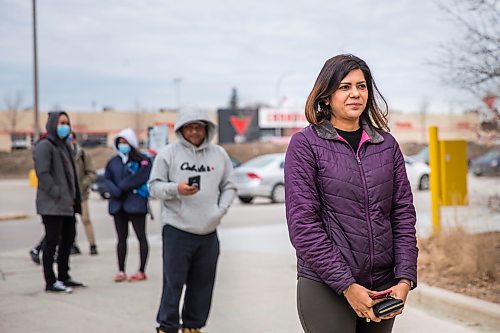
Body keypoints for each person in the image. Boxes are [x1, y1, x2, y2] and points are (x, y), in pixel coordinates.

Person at [284, 54, 418, 333]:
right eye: (345, 87)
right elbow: (303, 226)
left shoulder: (387, 145)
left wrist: (405, 278)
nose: (355, 93)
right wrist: (346, 285)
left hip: (382, 285)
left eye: (362, 86)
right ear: (327, 94)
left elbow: (403, 215)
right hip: (326, 285)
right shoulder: (305, 145)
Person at [149, 109, 236, 333]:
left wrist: (221, 210)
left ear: (207, 129)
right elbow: (153, 187)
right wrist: (175, 189)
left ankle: (193, 327)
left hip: (208, 231)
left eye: (199, 127)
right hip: (177, 229)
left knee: (202, 286)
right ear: (181, 130)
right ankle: (166, 327)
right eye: (189, 127)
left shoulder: (219, 154)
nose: (195, 131)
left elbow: (229, 186)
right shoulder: (168, 154)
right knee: (173, 283)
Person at [33, 111, 86, 293]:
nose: (65, 126)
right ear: (53, 124)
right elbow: (43, 174)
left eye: (67, 123)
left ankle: (64, 275)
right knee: (51, 242)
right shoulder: (45, 146)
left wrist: (73, 198)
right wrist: (58, 193)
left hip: (67, 205)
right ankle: (50, 280)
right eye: (61, 122)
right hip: (52, 205)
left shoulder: (64, 146)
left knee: (68, 240)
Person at [104, 128, 151, 282]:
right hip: (118, 206)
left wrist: (121, 187)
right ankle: (121, 270)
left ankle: (141, 270)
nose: (123, 145)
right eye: (120, 142)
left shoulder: (142, 160)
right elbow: (107, 179)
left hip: (136, 205)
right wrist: (114, 190)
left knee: (141, 237)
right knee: (121, 239)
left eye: (125, 142)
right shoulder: (113, 162)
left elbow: (140, 177)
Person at [67, 131, 99, 255]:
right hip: (68, 195)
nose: (69, 141)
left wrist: (83, 184)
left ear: (75, 140)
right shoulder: (62, 154)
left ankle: (92, 245)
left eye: (71, 138)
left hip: (82, 194)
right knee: (70, 222)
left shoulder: (83, 155)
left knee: (86, 219)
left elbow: (92, 173)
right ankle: (73, 245)